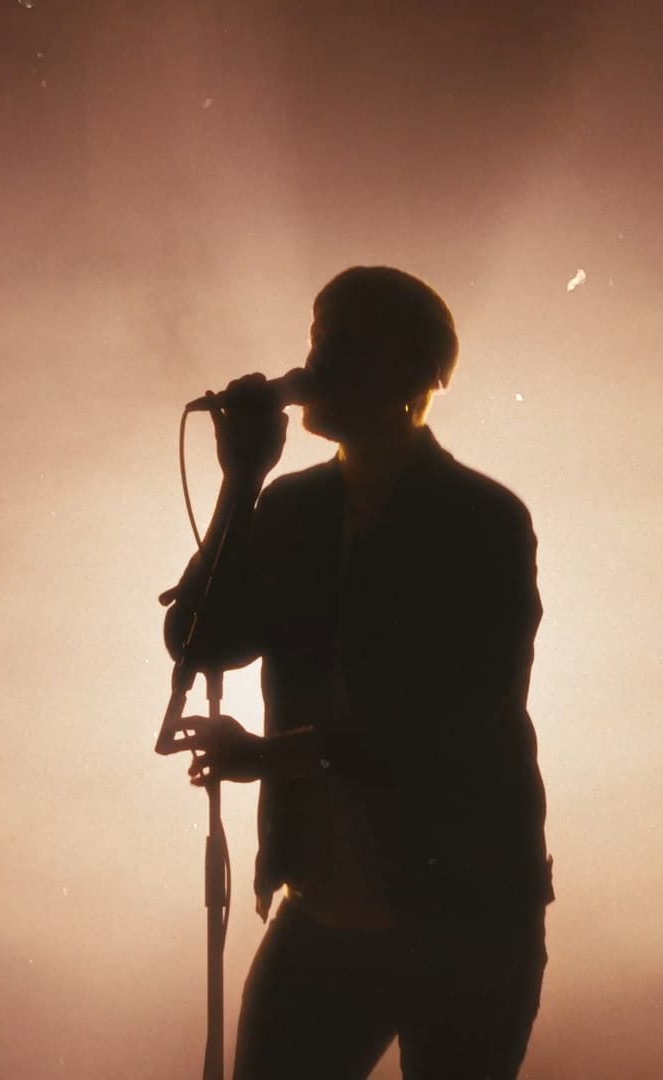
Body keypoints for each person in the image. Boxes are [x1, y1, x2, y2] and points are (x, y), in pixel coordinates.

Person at [163, 266, 553, 1079]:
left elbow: (450, 724)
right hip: (325, 913)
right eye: (316, 339)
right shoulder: (293, 508)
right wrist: (241, 483)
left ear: (409, 371)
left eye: (340, 343)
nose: (314, 362)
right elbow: (201, 643)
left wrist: (267, 756)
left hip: (464, 923)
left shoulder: (481, 522)